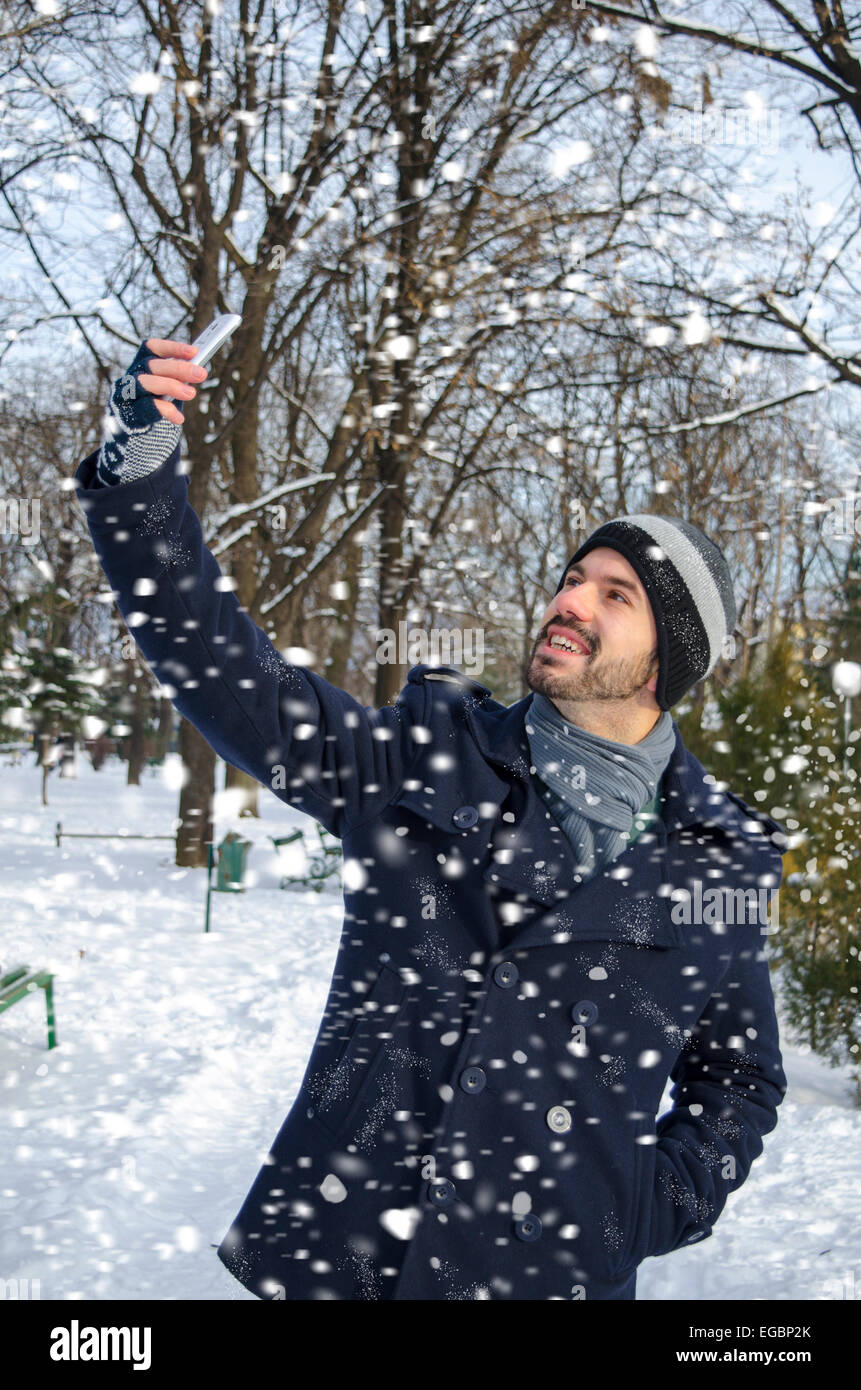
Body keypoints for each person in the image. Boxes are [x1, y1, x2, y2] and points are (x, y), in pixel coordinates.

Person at [73, 338, 789, 1301]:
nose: (568, 602)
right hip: (356, 1262)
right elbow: (224, 670)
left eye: (614, 595)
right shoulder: (429, 756)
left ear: (666, 665)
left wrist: (650, 1202)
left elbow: (738, 1080)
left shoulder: (715, 864)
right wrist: (141, 484)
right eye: (573, 577)